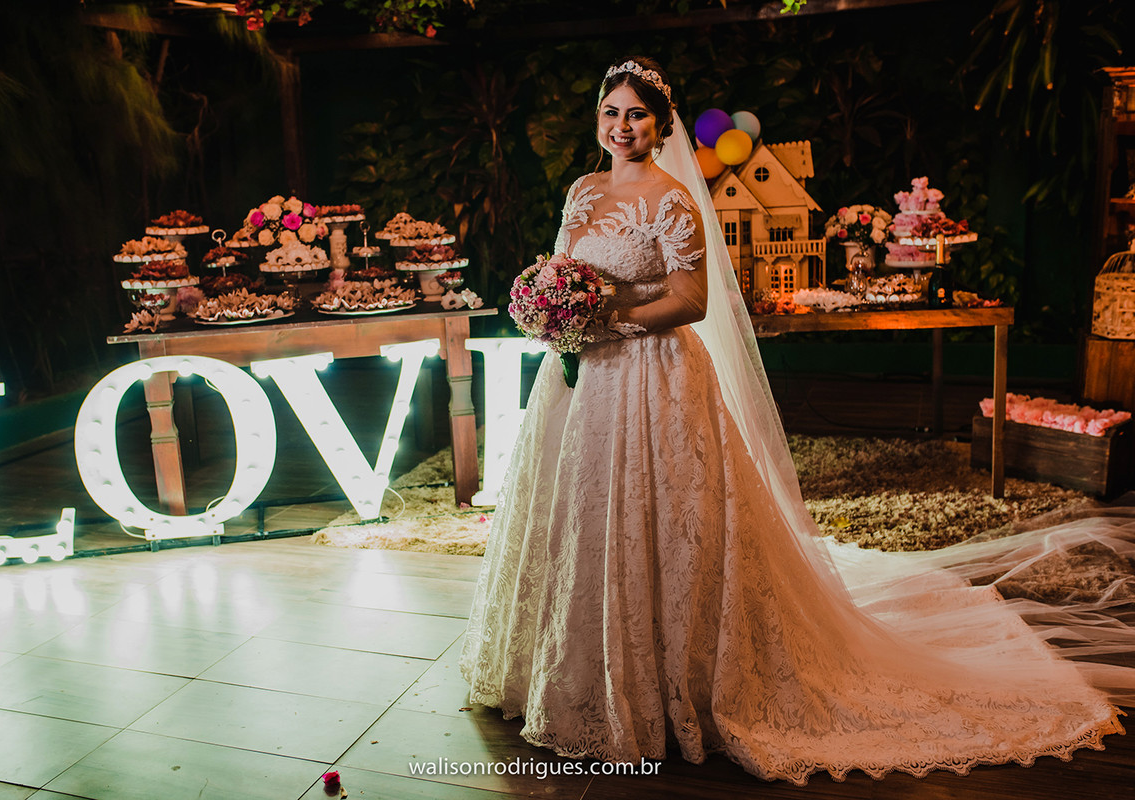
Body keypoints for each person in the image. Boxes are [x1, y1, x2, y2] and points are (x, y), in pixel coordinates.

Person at [460, 55, 1135, 785]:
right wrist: (552, 306)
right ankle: (573, 669)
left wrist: (607, 315)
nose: (622, 127)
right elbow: (565, 270)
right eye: (611, 112)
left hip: (650, 376)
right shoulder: (582, 190)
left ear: (660, 127)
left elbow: (692, 302)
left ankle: (667, 683)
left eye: (636, 115)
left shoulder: (673, 200)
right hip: (580, 376)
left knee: (659, 517)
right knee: (580, 516)